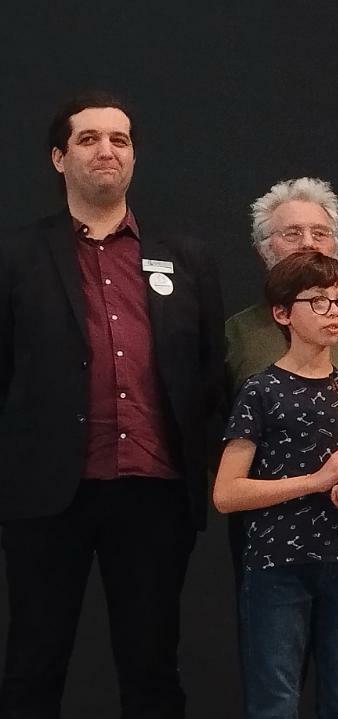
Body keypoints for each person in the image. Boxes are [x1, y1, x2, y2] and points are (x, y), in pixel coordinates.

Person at [0, 91, 225, 718]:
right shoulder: (15, 256)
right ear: (58, 158)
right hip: (47, 494)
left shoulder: (186, 256)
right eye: (89, 138)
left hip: (155, 491)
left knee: (152, 668)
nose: (107, 150)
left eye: (119, 139)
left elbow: (209, 371)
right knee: (33, 665)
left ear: (133, 157)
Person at [224, 177, 338, 717]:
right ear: (265, 248)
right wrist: (306, 479)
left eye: (320, 232)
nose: (309, 242)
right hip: (271, 515)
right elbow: (223, 430)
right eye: (292, 233)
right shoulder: (240, 333)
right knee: (275, 665)